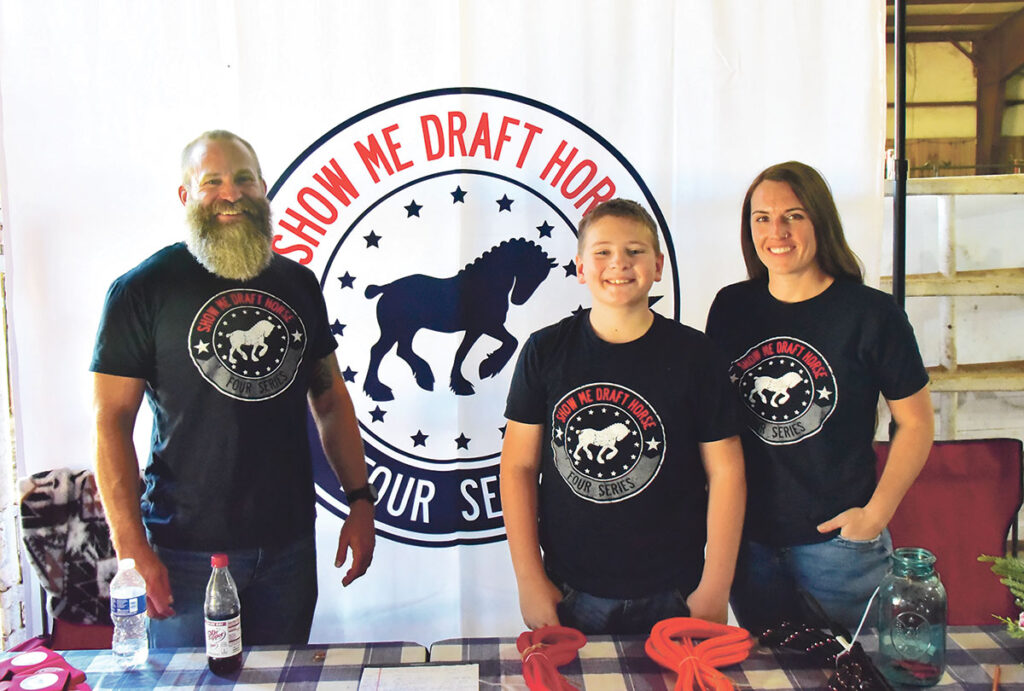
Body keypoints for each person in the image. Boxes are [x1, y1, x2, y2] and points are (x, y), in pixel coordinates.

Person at [91, 130, 376, 647]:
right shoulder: (141, 290)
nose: (231, 193)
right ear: (186, 196)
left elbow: (329, 397)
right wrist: (131, 546)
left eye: (244, 180)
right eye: (212, 182)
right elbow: (110, 422)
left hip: (288, 549)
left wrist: (359, 500)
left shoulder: (297, 283)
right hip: (184, 554)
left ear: (263, 189)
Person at [705, 161, 934, 635]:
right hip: (750, 547)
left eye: (794, 215)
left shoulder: (871, 313)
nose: (777, 231)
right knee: (768, 677)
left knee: (860, 676)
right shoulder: (731, 308)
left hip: (841, 548)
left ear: (821, 222)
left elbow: (915, 422)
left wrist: (875, 515)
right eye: (762, 218)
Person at [501, 198, 746, 635]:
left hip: (677, 589)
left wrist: (716, 583)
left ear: (658, 265)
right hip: (571, 589)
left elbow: (726, 470)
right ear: (580, 267)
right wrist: (528, 577)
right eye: (603, 252)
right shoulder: (545, 352)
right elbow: (518, 466)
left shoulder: (696, 356)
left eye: (634, 251)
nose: (619, 263)